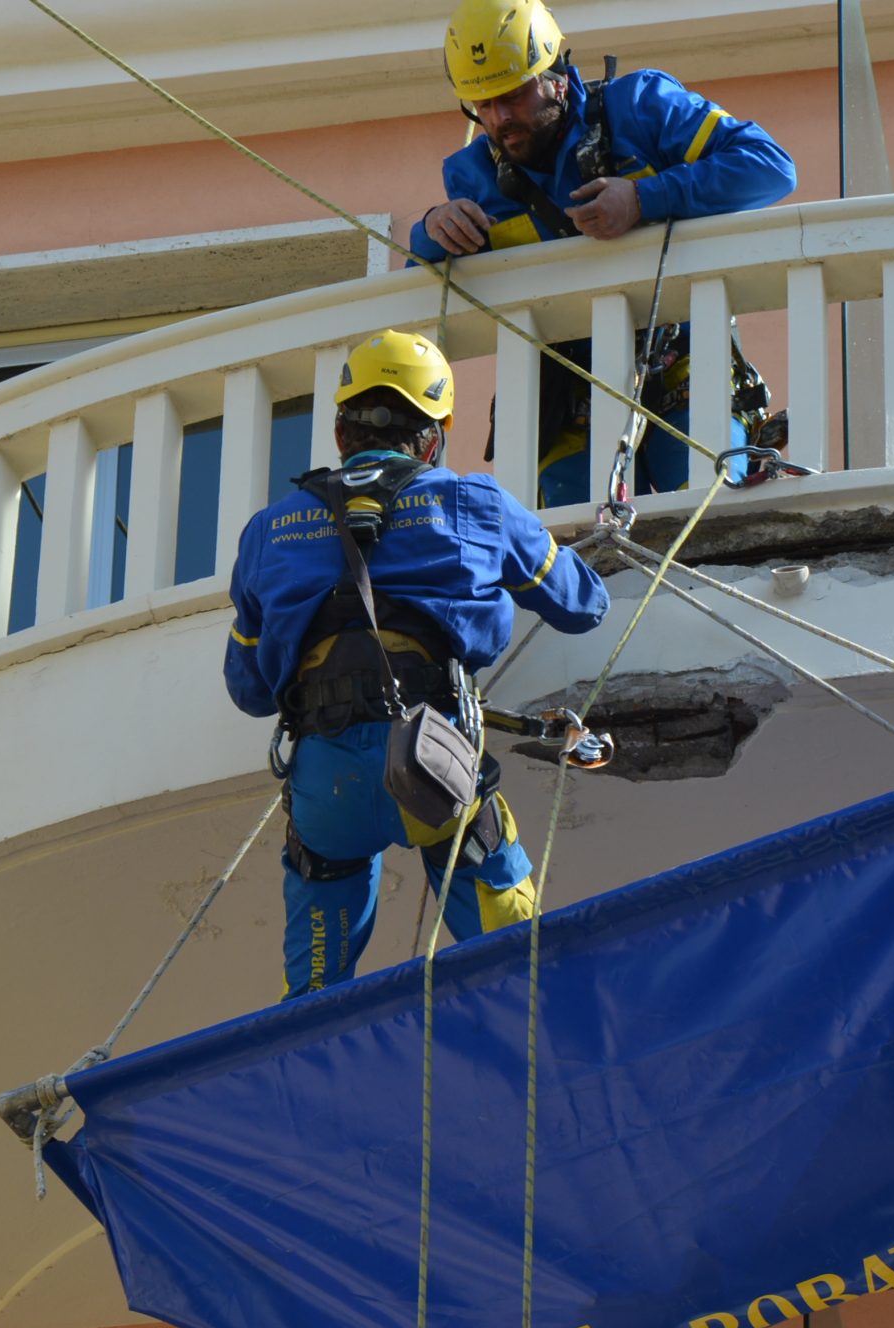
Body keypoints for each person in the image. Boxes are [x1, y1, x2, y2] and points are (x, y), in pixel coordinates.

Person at [224, 329, 610, 999]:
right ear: (433, 439)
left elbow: (250, 689)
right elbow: (583, 606)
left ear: (341, 432)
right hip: (434, 761)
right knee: (522, 970)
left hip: (327, 786)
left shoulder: (268, 529)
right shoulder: (475, 503)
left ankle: (307, 1051)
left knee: (313, 999)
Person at [409, 0, 799, 507]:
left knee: (709, 511)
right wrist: (429, 231)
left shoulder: (640, 107)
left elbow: (770, 166)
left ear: (558, 77)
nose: (500, 118)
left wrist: (645, 198)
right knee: (588, 548)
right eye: (482, 105)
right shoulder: (473, 176)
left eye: (513, 95)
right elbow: (422, 292)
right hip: (566, 401)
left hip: (682, 368)